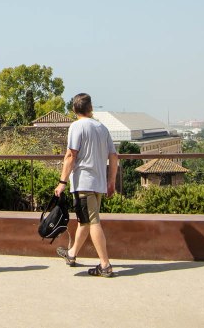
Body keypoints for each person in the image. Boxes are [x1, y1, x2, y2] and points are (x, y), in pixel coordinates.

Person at [54, 93, 119, 278]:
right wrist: (111, 182)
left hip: (83, 182)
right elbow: (114, 156)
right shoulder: (102, 128)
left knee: (93, 221)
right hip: (98, 183)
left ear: (74, 110)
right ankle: (72, 253)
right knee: (86, 220)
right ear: (91, 108)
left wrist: (62, 182)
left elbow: (71, 155)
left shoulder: (76, 127)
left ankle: (105, 265)